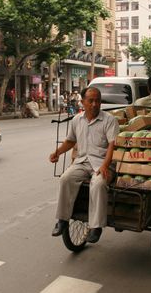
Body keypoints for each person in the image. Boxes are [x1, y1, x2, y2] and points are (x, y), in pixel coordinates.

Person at [49, 87, 119, 244]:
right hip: (83, 161)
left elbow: (112, 146)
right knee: (65, 178)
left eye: (98, 101)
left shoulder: (109, 120)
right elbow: (71, 141)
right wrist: (58, 152)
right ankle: (62, 220)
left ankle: (96, 227)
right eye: (91, 101)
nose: (94, 104)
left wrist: (105, 166)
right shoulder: (77, 120)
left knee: (98, 183)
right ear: (83, 102)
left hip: (104, 163)